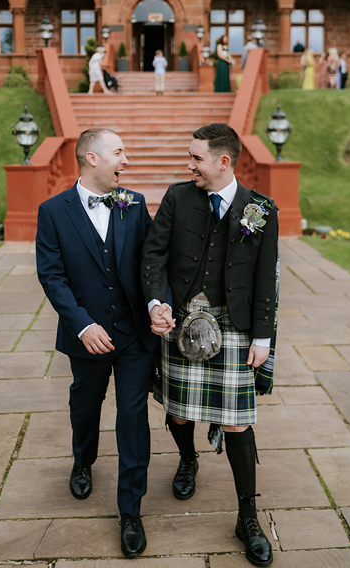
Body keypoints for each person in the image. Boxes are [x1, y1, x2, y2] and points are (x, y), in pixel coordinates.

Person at [141, 123, 279, 566]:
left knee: (238, 422)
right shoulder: (178, 197)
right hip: (182, 320)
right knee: (178, 410)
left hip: (234, 327)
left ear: (223, 161)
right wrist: (157, 302)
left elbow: (266, 278)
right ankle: (188, 460)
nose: (189, 165)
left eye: (196, 158)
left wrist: (263, 337)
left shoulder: (260, 209)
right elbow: (153, 254)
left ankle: (247, 517)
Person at [35, 128, 155, 557]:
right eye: (120, 152)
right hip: (85, 336)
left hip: (134, 334)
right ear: (91, 158)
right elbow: (52, 275)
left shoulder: (135, 204)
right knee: (84, 404)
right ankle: (82, 460)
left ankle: (131, 510)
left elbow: (151, 261)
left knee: (133, 415)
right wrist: (83, 326)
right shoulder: (52, 211)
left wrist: (158, 303)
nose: (127, 160)